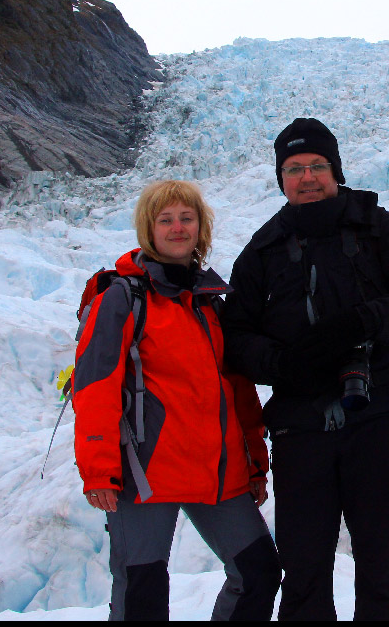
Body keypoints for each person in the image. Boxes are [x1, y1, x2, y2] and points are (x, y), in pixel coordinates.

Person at [221, 117, 389, 620]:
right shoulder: (262, 250)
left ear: (336, 171)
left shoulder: (378, 227)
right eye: (294, 168)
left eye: (317, 166)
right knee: (303, 575)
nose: (307, 177)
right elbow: (234, 337)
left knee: (384, 570)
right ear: (281, 179)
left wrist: (365, 321)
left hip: (378, 415)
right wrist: (285, 364)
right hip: (301, 430)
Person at [72, 180, 281, 621]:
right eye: (165, 219)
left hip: (217, 472)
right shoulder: (122, 298)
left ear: (200, 227)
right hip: (145, 474)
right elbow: (96, 386)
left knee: (259, 571)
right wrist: (98, 469)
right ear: (149, 229)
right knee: (142, 596)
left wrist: (253, 463)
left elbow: (237, 391)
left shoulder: (210, 302)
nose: (177, 227)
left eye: (187, 218)